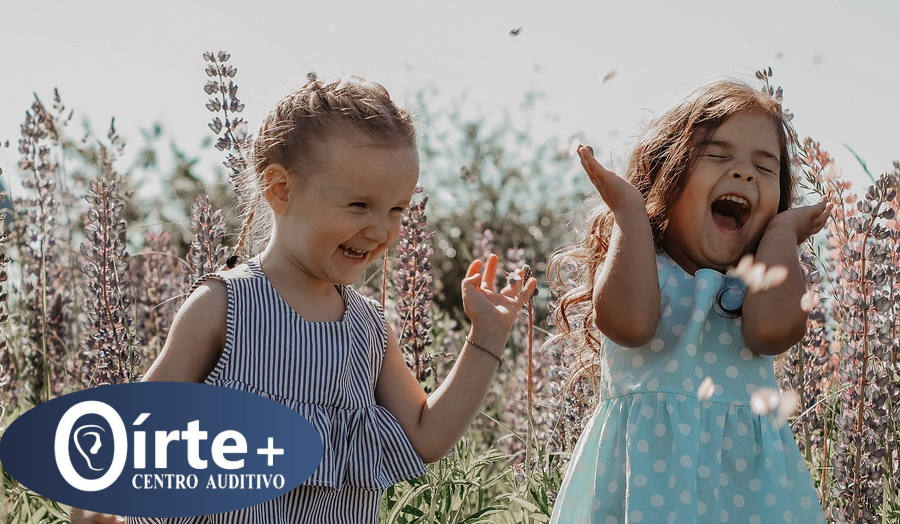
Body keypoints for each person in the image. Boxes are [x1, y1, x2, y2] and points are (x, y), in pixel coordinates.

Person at [70, 76, 536, 524]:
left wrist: (486, 337)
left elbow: (424, 434)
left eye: (396, 209)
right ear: (280, 189)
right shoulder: (228, 305)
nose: (380, 230)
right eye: (359, 205)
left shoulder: (368, 329)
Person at [547, 80, 829, 523]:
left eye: (765, 166)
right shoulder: (647, 269)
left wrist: (781, 235)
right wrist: (630, 215)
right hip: (641, 500)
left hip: (749, 503)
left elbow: (773, 333)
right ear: (667, 174)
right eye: (717, 156)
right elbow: (629, 323)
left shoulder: (754, 291)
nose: (744, 173)